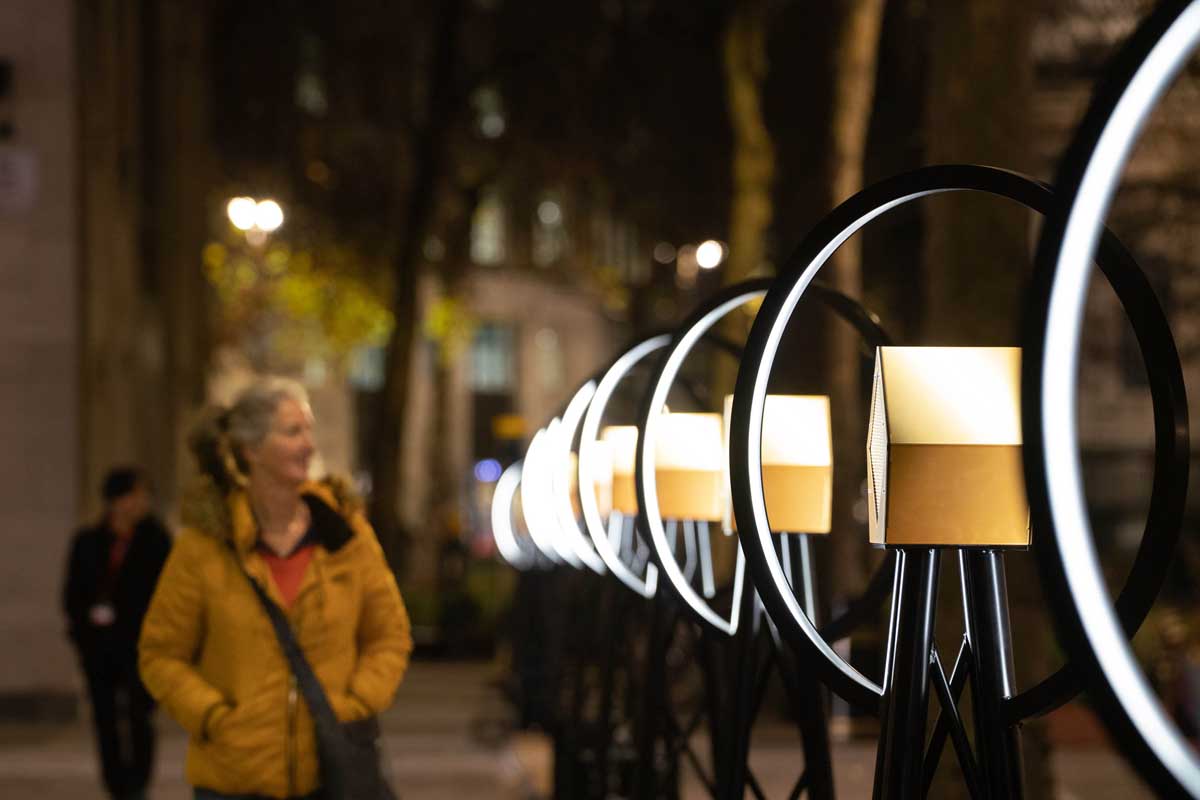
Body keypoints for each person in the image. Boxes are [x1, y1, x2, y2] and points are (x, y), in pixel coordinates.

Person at [139, 377, 412, 800]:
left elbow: (390, 635)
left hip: (331, 777)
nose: (309, 444)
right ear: (250, 450)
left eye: (308, 429)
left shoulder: (344, 534)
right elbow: (160, 654)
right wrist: (214, 718)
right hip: (234, 783)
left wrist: (354, 704)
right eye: (292, 432)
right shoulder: (206, 546)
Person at [63, 467, 172, 800]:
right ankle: (117, 787)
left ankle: (138, 784)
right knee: (106, 719)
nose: (141, 502)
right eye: (135, 495)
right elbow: (72, 595)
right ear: (117, 500)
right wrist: (83, 634)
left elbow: (168, 594)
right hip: (99, 647)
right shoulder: (88, 541)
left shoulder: (156, 540)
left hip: (141, 645)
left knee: (140, 716)